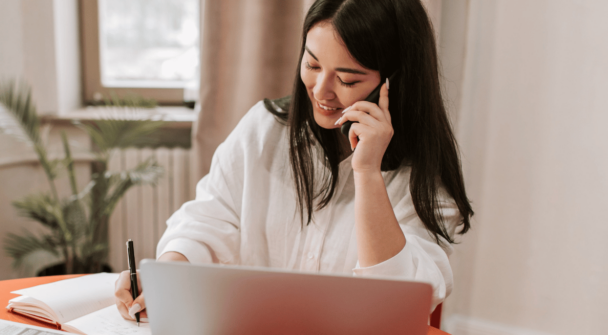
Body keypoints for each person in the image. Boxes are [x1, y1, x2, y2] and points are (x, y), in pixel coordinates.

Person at [115, 0, 473, 322]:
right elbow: (208, 218)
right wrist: (168, 277)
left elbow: (397, 303)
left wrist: (367, 173)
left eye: (347, 79)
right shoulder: (264, 128)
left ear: (394, 83)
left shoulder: (425, 175)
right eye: (313, 64)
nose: (320, 90)